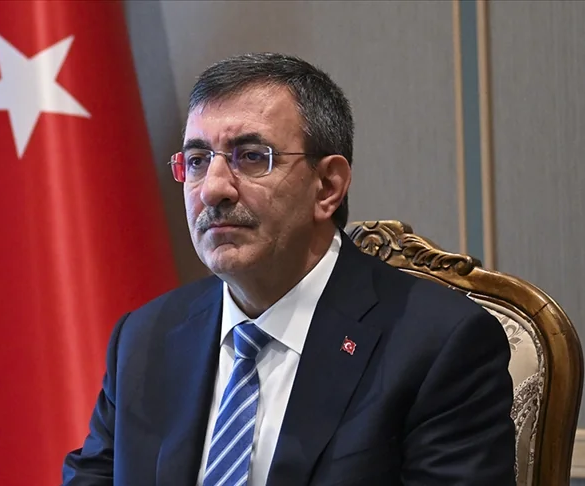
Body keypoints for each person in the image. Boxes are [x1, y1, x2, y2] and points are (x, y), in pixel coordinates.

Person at [62, 53, 515, 486]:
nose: (213, 189)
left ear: (328, 187)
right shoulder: (145, 338)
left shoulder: (437, 345)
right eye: (198, 161)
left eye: (251, 156)